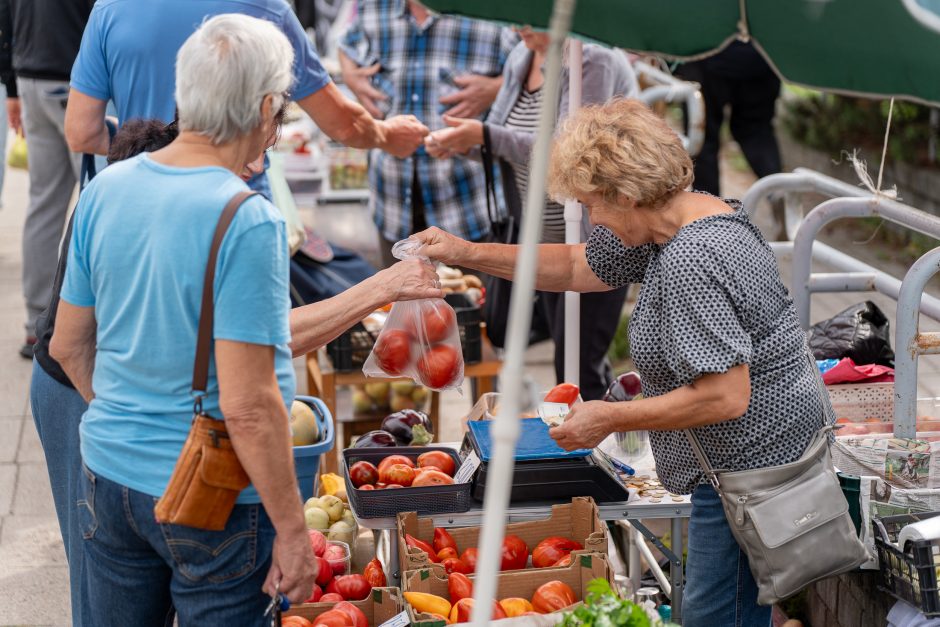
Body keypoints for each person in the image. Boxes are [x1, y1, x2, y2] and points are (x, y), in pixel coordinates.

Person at [50, 16, 440, 624]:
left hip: (108, 477)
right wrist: (291, 533)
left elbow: (68, 345)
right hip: (216, 501)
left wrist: (130, 423)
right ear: (264, 109)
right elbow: (252, 406)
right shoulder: (246, 219)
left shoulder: (105, 189)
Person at [412, 98, 833, 626]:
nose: (592, 218)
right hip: (758, 456)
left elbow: (726, 394)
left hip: (750, 469)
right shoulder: (689, 214)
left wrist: (608, 417)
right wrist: (465, 251)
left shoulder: (690, 258)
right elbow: (574, 264)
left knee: (712, 614)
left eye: (593, 205)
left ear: (627, 195)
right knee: (735, 605)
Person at [423, 27, 638, 399]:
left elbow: (570, 153)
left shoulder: (594, 60)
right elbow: (508, 144)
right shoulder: (521, 59)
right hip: (542, 236)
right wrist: (461, 142)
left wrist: (485, 136)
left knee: (578, 364)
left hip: (594, 239)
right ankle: (589, 431)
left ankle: (601, 445)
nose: (518, 26)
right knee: (561, 348)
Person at [339, 0, 518, 267]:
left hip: (466, 197)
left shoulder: (490, 11)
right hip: (392, 195)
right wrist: (350, 76)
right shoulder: (374, 6)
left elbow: (538, 66)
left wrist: (497, 87)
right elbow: (346, 46)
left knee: (468, 299)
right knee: (397, 303)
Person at [0, 0, 94, 359]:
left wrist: (10, 88)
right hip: (75, 78)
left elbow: (5, 18)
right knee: (95, 202)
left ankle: (33, 324)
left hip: (30, 77)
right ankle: (90, 323)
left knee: (43, 204)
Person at [677, 40, 782, 197]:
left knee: (703, 140)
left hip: (707, 52)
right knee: (757, 134)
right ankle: (782, 199)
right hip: (761, 56)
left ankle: (711, 215)